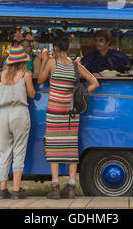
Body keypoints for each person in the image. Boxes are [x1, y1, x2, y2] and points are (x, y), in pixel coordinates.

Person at [37, 35, 99, 199]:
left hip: (54, 112)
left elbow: (41, 79)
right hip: (71, 114)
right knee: (71, 148)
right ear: (67, 48)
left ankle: (55, 187)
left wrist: (44, 59)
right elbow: (95, 83)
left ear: (55, 48)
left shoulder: (52, 63)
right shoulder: (75, 66)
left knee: (53, 147)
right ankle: (71, 186)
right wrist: (81, 94)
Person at [0, 45, 36, 199]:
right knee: (19, 151)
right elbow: (31, 94)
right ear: (22, 61)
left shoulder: (1, 75)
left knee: (4, 151)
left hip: (4, 114)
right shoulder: (26, 74)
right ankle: (17, 190)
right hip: (20, 113)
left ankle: (2, 188)